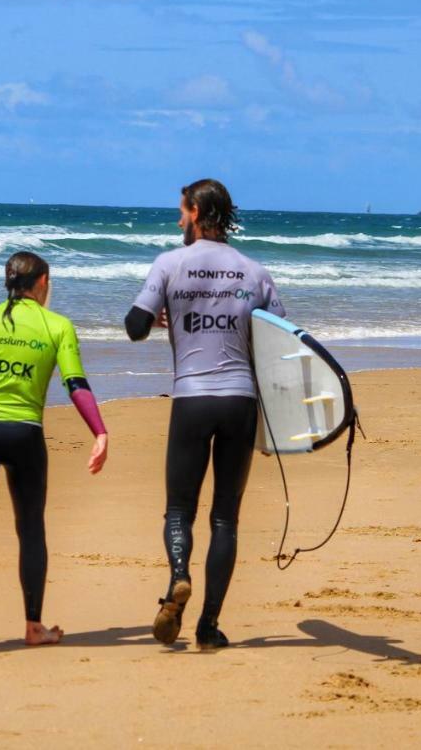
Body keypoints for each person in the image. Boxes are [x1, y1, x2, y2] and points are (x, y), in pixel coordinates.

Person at [125, 178, 284, 649]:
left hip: (191, 400)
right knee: (225, 519)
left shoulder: (169, 264)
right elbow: (279, 341)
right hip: (240, 401)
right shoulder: (255, 272)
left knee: (179, 509)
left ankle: (178, 577)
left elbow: (134, 327)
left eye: (181, 211)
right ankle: (208, 625)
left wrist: (159, 316)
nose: (178, 220)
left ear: (195, 211)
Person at [0, 251, 109, 654]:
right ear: (43, 283)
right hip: (24, 435)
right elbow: (76, 384)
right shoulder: (58, 326)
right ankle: (34, 626)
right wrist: (99, 431)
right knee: (30, 528)